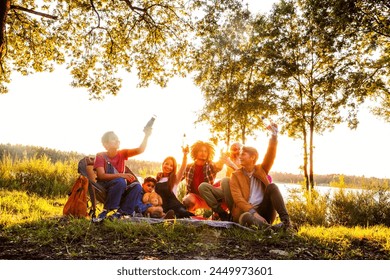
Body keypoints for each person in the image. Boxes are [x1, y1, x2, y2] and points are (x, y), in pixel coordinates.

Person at [225, 122, 292, 230]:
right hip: (248, 212)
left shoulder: (262, 169)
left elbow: (270, 155)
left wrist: (274, 136)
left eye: (243, 154)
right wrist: (254, 214)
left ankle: (286, 223)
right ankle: (269, 229)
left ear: (253, 157)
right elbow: (238, 199)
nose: (240, 157)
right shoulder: (235, 175)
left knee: (272, 186)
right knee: (245, 218)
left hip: (265, 210)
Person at [93, 128, 152, 221]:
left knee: (137, 186)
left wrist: (146, 135)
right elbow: (101, 175)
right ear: (106, 144)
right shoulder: (100, 156)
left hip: (120, 186)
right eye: (113, 139)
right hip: (105, 185)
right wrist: (121, 175)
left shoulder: (122, 154)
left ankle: (120, 213)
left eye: (117, 138)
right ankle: (107, 210)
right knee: (121, 181)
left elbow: (140, 150)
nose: (117, 140)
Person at [182, 140, 225, 213]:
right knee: (188, 199)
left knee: (224, 183)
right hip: (194, 197)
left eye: (205, 151)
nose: (203, 153)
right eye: (201, 151)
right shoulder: (189, 167)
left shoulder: (210, 165)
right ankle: (189, 215)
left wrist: (222, 157)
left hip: (209, 197)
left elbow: (219, 166)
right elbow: (177, 178)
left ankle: (220, 213)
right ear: (196, 152)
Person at [154, 146, 194, 218]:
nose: (168, 167)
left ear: (173, 168)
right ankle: (170, 216)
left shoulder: (174, 179)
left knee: (183, 213)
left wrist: (185, 155)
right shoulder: (157, 180)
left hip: (175, 206)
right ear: (163, 164)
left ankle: (178, 216)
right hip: (162, 208)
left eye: (171, 166)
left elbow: (182, 168)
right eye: (166, 164)